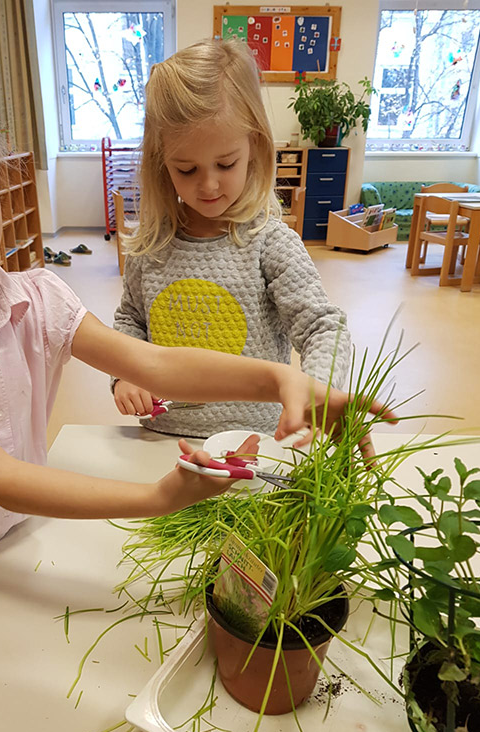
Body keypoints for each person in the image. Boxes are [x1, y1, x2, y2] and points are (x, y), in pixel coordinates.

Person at [0, 53, 394, 594]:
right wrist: (155, 500)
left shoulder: (33, 297)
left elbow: (153, 362)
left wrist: (283, 380)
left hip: (14, 547)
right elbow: (0, 478)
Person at [112, 38, 352, 438]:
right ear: (161, 163)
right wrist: (125, 375)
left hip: (254, 441)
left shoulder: (270, 243)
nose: (208, 185)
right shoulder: (151, 247)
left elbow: (323, 328)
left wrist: (316, 392)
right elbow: (130, 321)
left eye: (226, 163)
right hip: (164, 438)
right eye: (186, 169)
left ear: (255, 148)